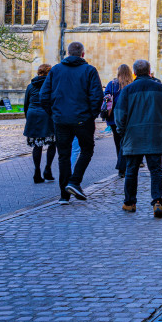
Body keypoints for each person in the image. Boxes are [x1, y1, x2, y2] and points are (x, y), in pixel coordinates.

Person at [40, 41, 104, 205]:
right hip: (82, 119)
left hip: (61, 119)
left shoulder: (55, 70)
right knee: (87, 150)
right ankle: (74, 182)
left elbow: (44, 96)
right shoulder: (89, 70)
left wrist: (54, 114)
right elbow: (97, 97)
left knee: (64, 155)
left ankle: (64, 195)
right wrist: (90, 115)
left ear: (67, 53)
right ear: (83, 54)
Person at [114, 59, 162, 217]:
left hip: (133, 136)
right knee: (156, 170)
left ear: (134, 72)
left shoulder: (127, 90)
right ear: (149, 71)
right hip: (154, 134)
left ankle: (130, 202)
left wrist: (122, 132)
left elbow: (119, 115)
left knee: (131, 171)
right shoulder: (160, 88)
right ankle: (157, 202)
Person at [22, 64, 55, 183]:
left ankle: (37, 171)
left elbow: (26, 104)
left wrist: (28, 118)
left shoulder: (31, 86)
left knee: (37, 145)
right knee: (52, 143)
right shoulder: (51, 84)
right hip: (47, 114)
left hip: (33, 114)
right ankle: (48, 169)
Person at [102, 65, 134, 178]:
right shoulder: (132, 85)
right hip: (129, 118)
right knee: (125, 143)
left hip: (114, 118)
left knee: (118, 143)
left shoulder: (112, 84)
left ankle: (121, 168)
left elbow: (106, 97)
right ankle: (124, 167)